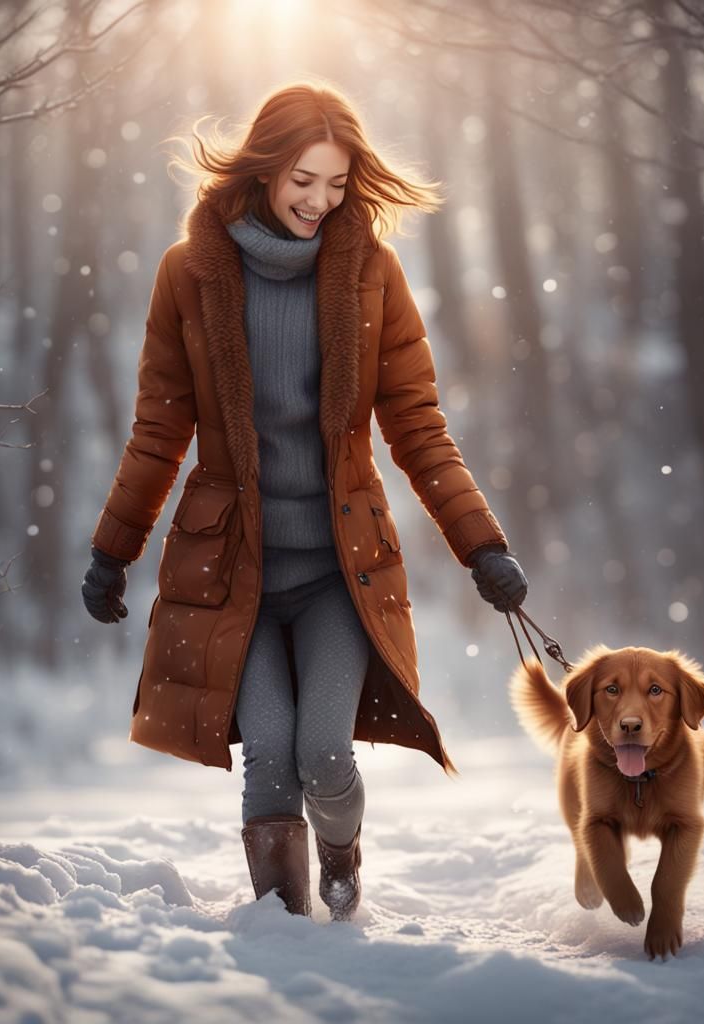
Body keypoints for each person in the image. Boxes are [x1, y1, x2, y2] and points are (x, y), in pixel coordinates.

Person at [82, 81, 528, 922]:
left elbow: (419, 427)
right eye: (302, 181)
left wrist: (482, 546)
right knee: (271, 759)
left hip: (338, 573)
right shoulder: (189, 275)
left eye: (336, 183)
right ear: (261, 170)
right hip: (233, 575)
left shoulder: (371, 275)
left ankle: (344, 857)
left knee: (325, 754)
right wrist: (113, 550)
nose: (320, 201)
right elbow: (157, 431)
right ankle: (283, 935)